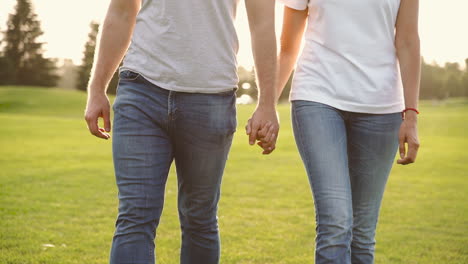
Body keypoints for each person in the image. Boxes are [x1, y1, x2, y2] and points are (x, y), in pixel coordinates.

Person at [84, 0, 279, 263]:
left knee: (199, 217)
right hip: (141, 90)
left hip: (212, 97)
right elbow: (121, 11)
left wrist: (267, 103)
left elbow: (263, 24)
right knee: (135, 216)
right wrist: (97, 88)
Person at [274, 0, 421, 263]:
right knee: (336, 222)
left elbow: (408, 39)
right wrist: (266, 104)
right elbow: (288, 47)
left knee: (362, 233)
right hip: (317, 95)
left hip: (382, 107)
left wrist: (411, 114)